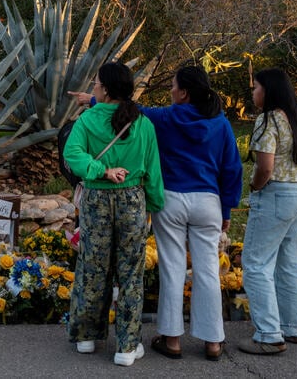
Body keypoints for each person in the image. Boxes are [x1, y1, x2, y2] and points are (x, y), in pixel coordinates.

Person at [71, 64, 242, 361]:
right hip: (208, 203)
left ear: (184, 93)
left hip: (172, 200)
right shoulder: (221, 123)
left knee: (172, 269)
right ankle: (213, 341)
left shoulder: (167, 117)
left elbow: (128, 111)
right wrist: (226, 207)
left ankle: (172, 339)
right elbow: (232, 169)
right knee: (208, 271)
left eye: (174, 85)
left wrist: (93, 99)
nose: (170, 90)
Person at [62, 62, 164, 367]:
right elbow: (153, 172)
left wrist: (100, 171)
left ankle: (86, 336)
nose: (93, 87)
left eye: (95, 83)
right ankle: (127, 345)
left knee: (93, 265)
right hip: (133, 201)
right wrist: (155, 206)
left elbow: (72, 154)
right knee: (130, 271)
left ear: (105, 89)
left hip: (96, 200)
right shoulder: (143, 123)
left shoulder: (88, 120)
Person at [239, 68, 297, 355]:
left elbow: (265, 167)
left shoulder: (268, 121)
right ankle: (293, 327)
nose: (253, 93)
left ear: (268, 91)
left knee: (255, 264)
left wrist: (255, 186)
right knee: (289, 263)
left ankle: (268, 334)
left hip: (276, 195)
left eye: (256, 88)